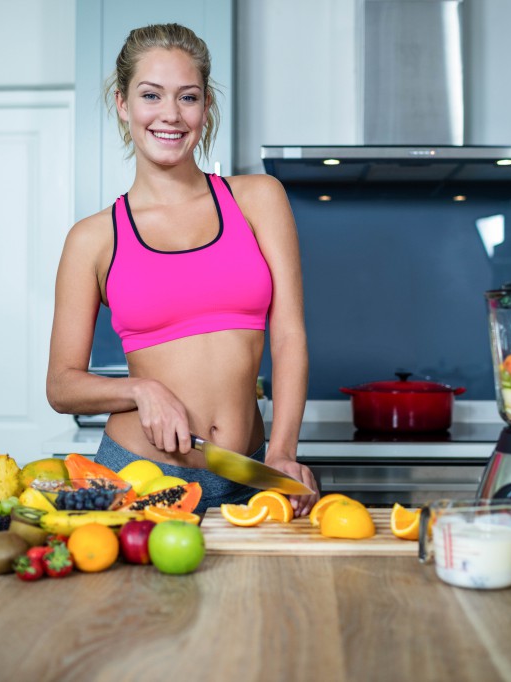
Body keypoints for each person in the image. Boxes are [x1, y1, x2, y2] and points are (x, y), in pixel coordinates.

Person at [46, 23, 318, 516]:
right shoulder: (93, 238)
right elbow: (61, 387)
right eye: (151, 95)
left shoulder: (258, 199)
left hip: (250, 471)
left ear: (205, 106)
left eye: (187, 97)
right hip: (139, 478)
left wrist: (282, 451)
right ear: (123, 104)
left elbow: (289, 336)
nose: (170, 115)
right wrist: (140, 389)